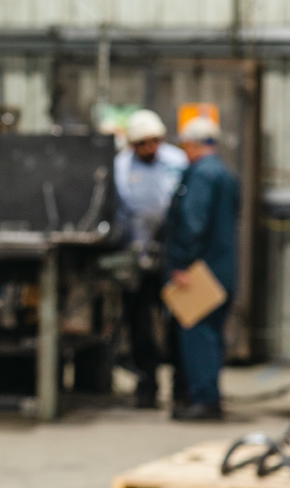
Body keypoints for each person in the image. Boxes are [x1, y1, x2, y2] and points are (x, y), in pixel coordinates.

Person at [164, 116, 240, 421]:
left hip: (200, 272)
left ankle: (205, 399)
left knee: (198, 334)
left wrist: (181, 262)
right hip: (223, 268)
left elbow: (193, 223)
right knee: (212, 336)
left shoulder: (201, 176)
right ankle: (208, 394)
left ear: (194, 144)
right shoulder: (226, 175)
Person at [113, 109, 188, 409]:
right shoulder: (121, 167)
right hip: (137, 257)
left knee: (178, 322)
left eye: (154, 142)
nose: (150, 149)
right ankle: (147, 385)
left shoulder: (176, 162)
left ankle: (181, 387)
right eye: (143, 144)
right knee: (139, 324)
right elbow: (119, 211)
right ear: (133, 144)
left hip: (172, 258)